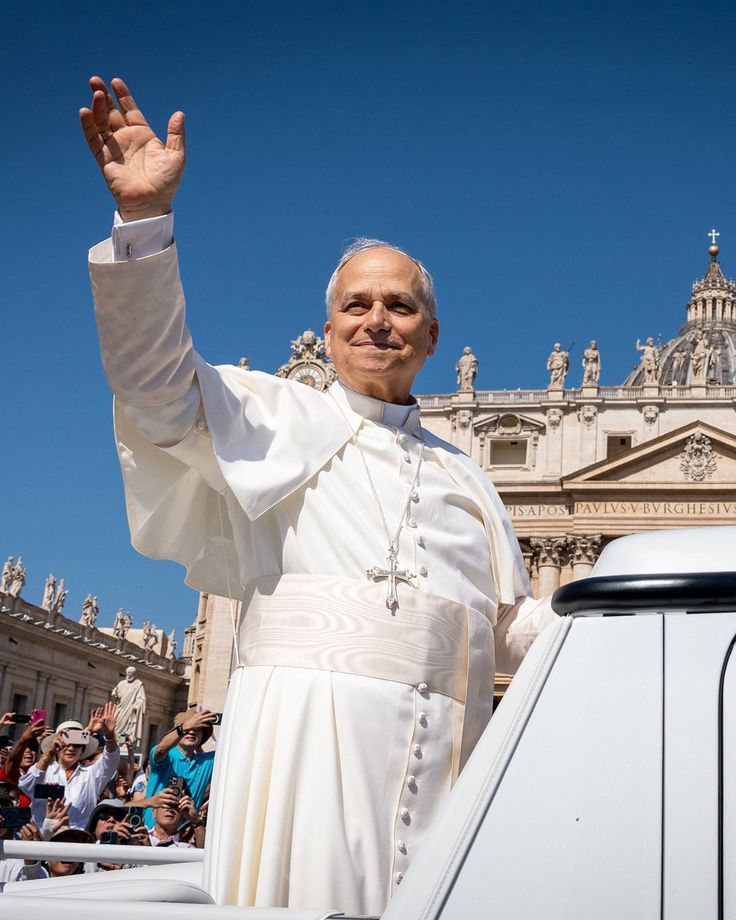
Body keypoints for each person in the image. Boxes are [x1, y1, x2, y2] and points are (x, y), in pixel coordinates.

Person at [80, 75, 557, 913]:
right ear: (329, 329)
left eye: (399, 306)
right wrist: (144, 221)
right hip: (302, 754)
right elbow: (152, 385)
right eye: (356, 305)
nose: (377, 319)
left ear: (431, 334)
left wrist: (644, 615)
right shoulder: (268, 416)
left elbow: (508, 627)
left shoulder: (468, 476)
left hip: (451, 769)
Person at [19, 705, 120, 830]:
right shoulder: (44, 771)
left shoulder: (91, 774)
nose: (71, 748)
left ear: (82, 749)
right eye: (66, 743)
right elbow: (27, 785)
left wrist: (109, 735)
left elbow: (111, 759)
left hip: (76, 838)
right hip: (43, 837)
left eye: (77, 744)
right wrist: (50, 753)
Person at [142, 710, 216, 829]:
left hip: (182, 837)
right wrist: (183, 728)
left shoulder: (207, 762)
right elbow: (161, 749)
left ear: (202, 735)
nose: (192, 731)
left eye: (197, 729)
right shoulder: (167, 756)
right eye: (188, 728)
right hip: (152, 834)